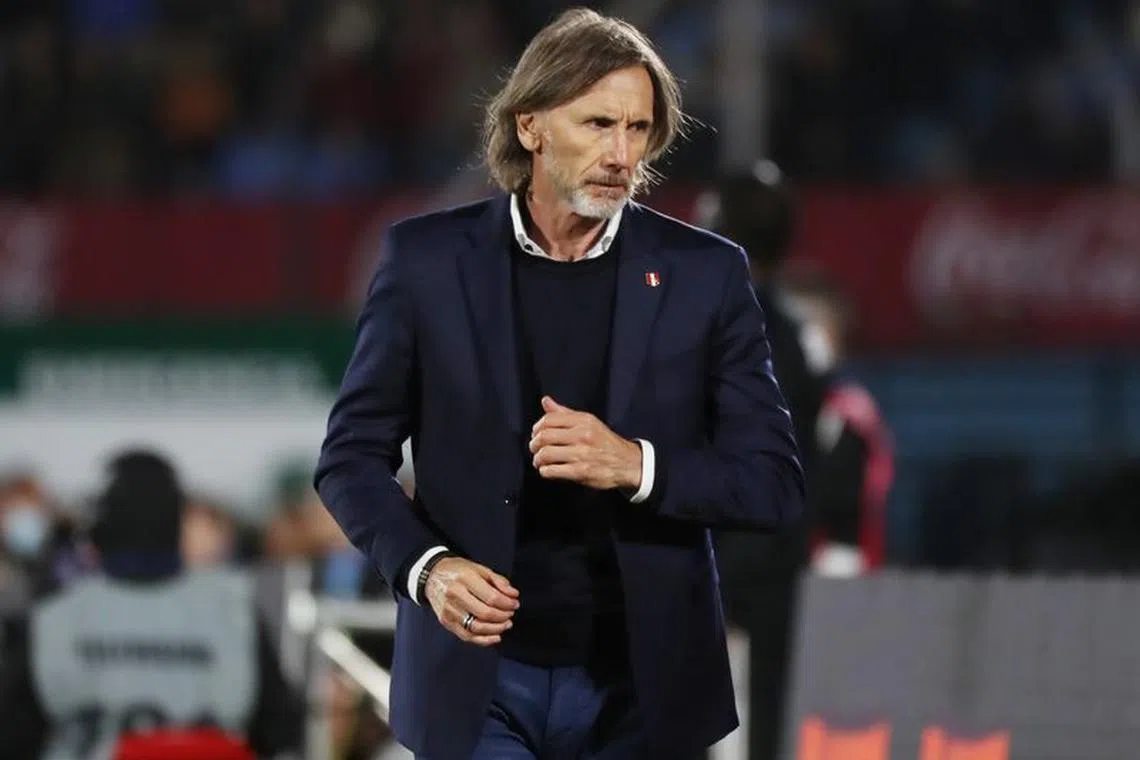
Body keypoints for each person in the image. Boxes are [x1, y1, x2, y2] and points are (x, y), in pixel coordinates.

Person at [314, 8, 804, 760]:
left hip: (640, 688)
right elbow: (350, 458)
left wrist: (636, 465)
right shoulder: (425, 263)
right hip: (475, 680)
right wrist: (428, 570)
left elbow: (773, 482)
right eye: (599, 123)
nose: (621, 153)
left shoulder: (705, 274)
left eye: (638, 129)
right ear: (531, 126)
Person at [0, 449, 303, 760]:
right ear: (176, 522)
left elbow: (13, 738)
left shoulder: (53, 618)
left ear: (102, 523)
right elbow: (280, 732)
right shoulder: (234, 614)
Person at [696, 162, 827, 760]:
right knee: (766, 720)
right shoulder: (799, 336)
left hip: (720, 560)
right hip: (771, 557)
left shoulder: (713, 327)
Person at [784, 273, 894, 575]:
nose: (803, 338)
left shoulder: (851, 413)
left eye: (813, 326)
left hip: (840, 572)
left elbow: (848, 501)